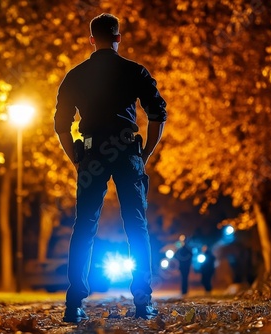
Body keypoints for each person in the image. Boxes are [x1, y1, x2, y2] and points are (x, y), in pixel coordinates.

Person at [54, 13, 167, 323]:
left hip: (91, 152)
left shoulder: (76, 75)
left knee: (85, 225)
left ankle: (74, 304)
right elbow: (158, 114)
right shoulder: (135, 72)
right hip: (128, 150)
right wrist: (144, 155)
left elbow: (61, 126)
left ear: (92, 39)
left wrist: (76, 159)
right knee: (137, 225)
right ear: (119, 38)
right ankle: (143, 302)